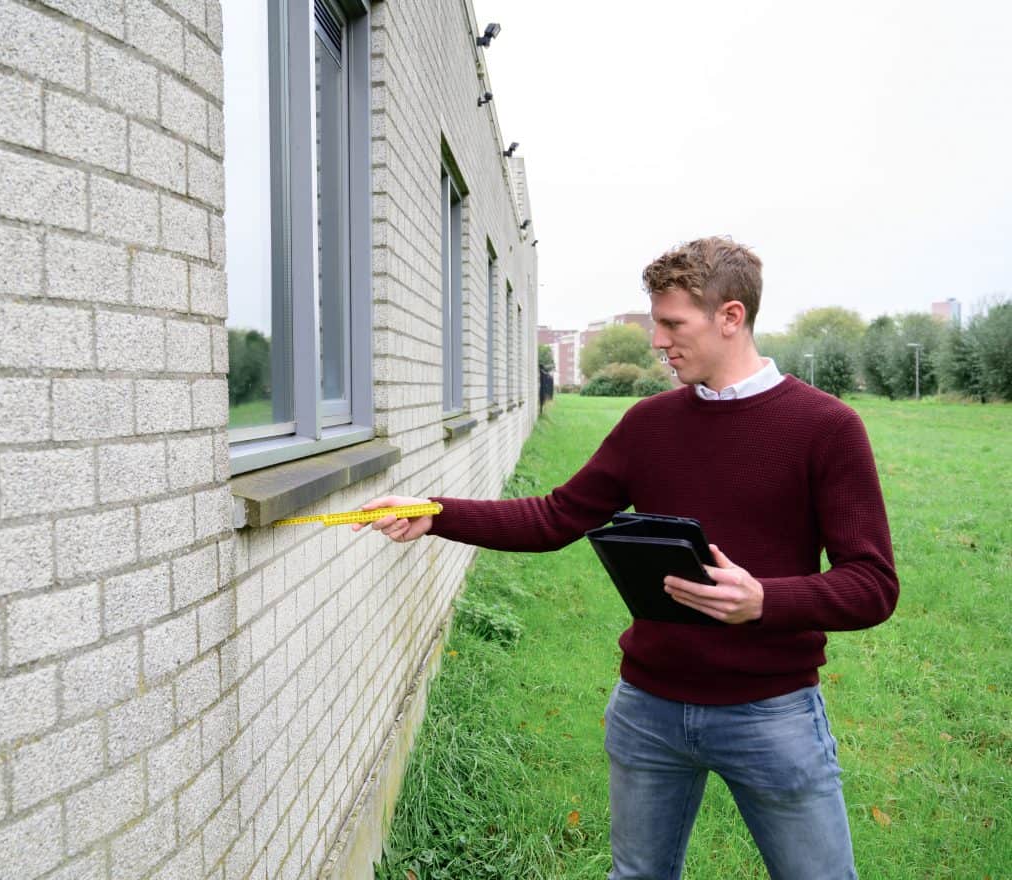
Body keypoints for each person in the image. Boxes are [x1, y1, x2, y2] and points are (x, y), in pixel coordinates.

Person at [353, 236, 898, 880]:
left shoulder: (826, 427)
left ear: (730, 317)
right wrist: (437, 512)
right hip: (648, 711)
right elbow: (556, 517)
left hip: (772, 716)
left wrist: (764, 600)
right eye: (656, 323)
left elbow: (872, 585)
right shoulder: (648, 425)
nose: (658, 341)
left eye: (672, 324)